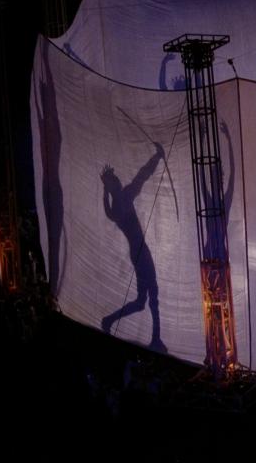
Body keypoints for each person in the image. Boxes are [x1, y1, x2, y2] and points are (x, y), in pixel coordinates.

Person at [99, 142, 167, 353]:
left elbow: (141, 177)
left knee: (141, 302)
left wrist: (156, 158)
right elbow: (141, 177)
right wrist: (157, 157)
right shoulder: (121, 202)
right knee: (151, 293)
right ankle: (155, 338)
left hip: (138, 252)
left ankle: (109, 320)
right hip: (140, 253)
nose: (118, 180)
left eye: (116, 179)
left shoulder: (117, 204)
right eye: (114, 181)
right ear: (112, 187)